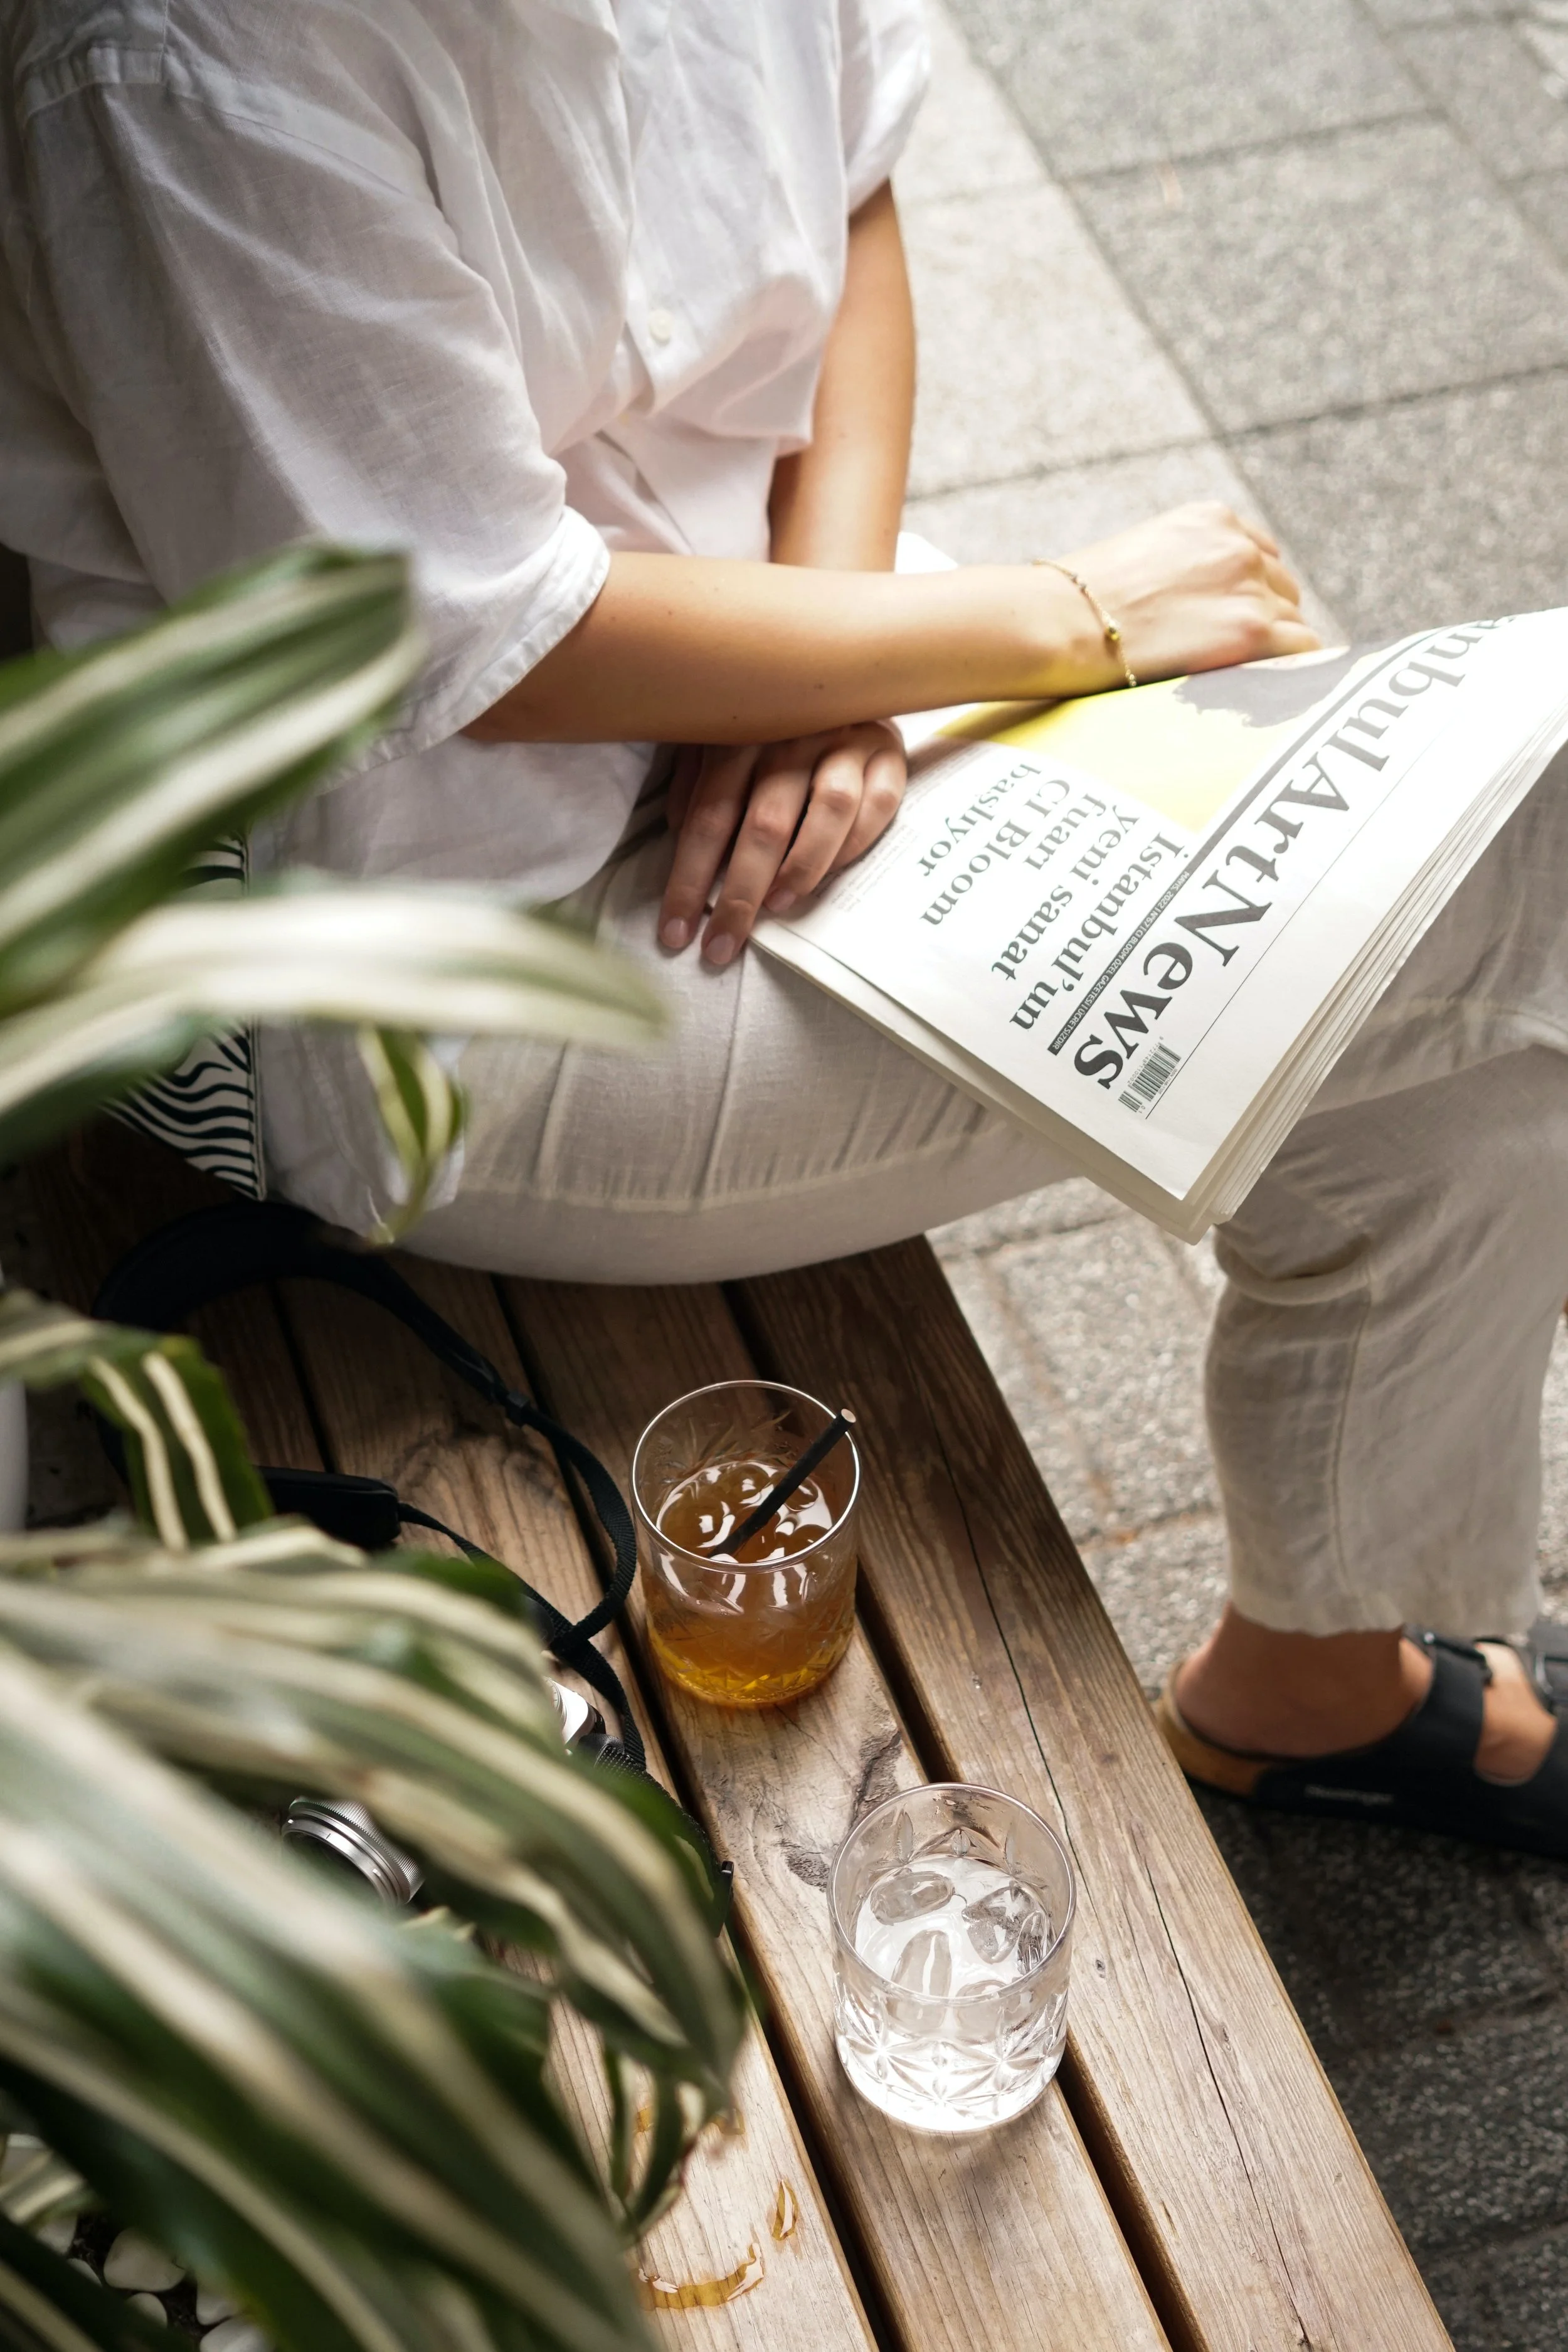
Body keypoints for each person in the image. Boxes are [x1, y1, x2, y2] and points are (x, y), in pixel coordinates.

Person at [5, 0, 1568, 1852]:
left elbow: (856, 190)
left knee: (1479, 912)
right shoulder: (174, 61)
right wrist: (1063, 612)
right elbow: (444, 639)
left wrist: (827, 670)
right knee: (1494, 908)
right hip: (427, 949)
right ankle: (1318, 1684)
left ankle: (1310, 1678)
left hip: (778, 685)